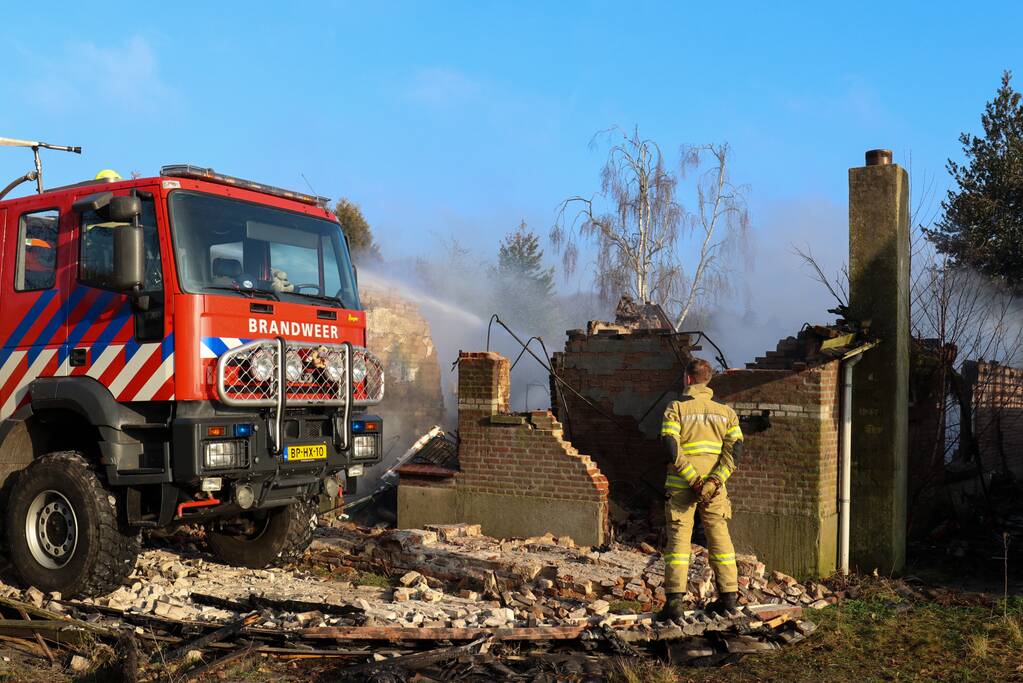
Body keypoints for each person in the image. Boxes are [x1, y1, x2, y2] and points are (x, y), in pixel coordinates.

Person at [658, 358, 744, 621]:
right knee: (720, 538)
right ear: (708, 380)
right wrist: (714, 481)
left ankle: (675, 604)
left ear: (687, 379)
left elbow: (670, 445)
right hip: (715, 490)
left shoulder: (676, 407)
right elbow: (735, 452)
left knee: (678, 542)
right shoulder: (727, 412)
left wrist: (693, 480)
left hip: (682, 486)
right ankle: (728, 599)